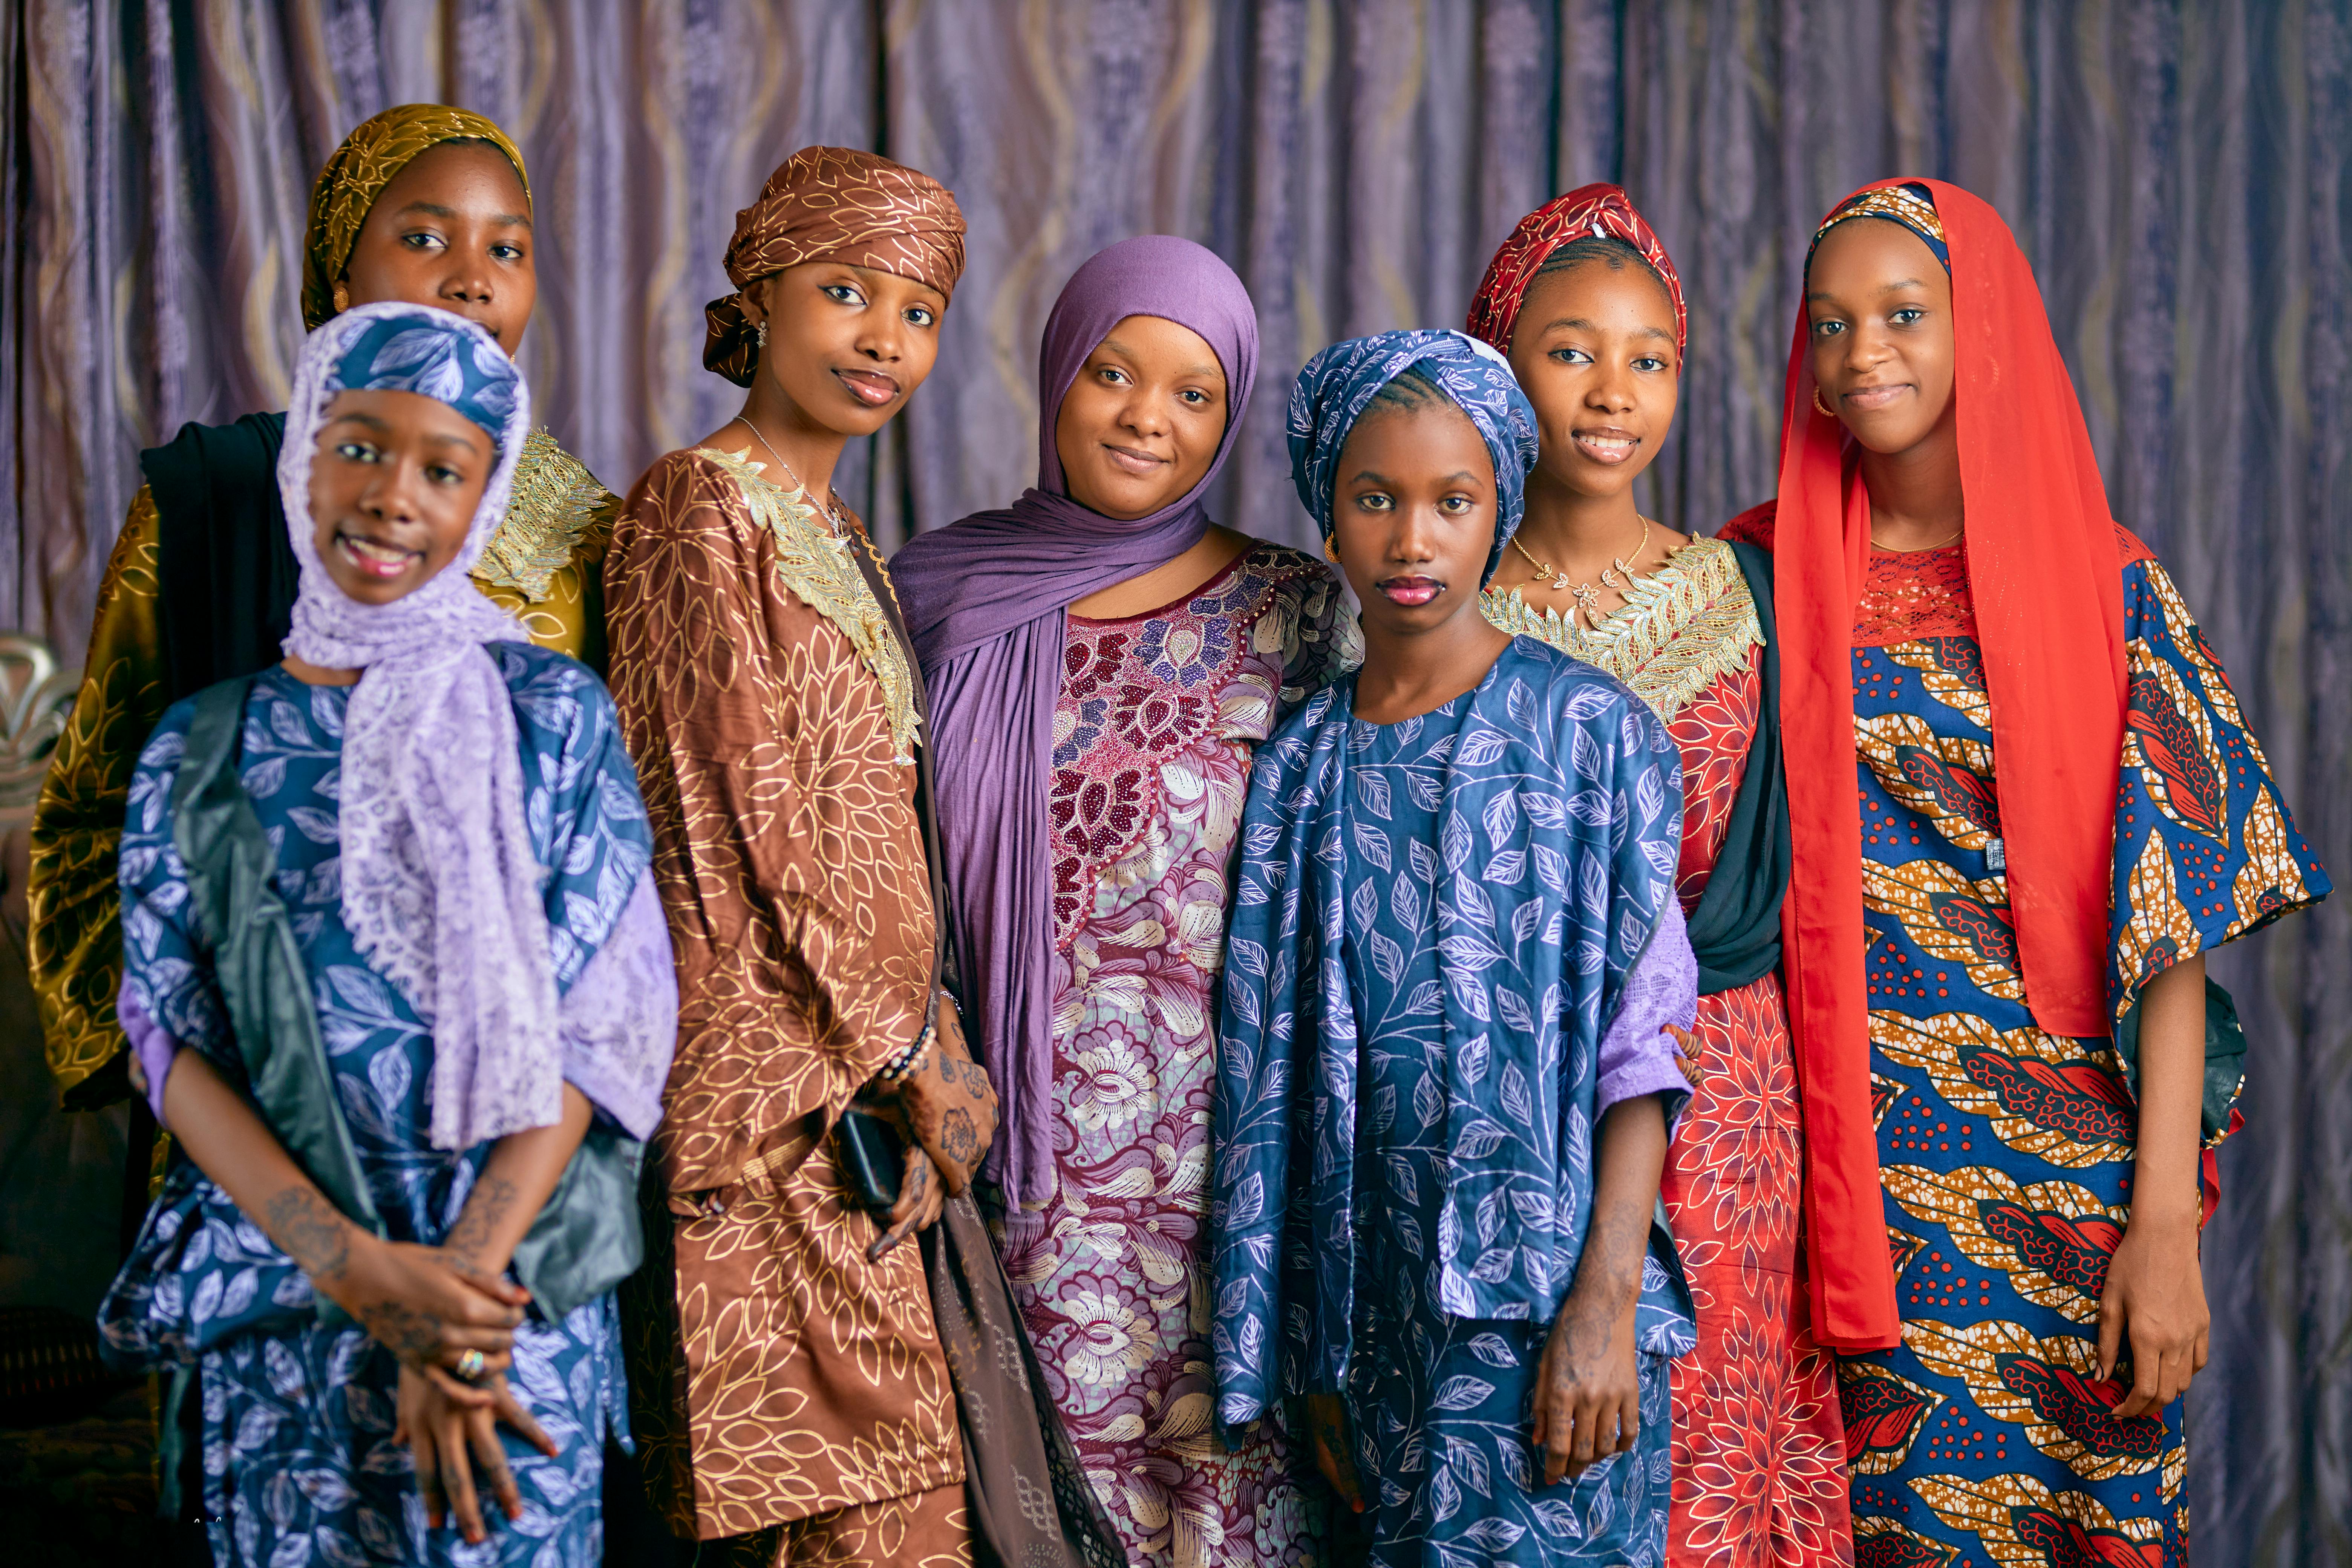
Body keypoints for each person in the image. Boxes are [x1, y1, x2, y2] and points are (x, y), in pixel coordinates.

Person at [1719, 179, 2329, 1564]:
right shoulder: (1744, 580)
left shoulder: (2113, 593)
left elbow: (2169, 932)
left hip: (2060, 1196)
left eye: (1904, 313)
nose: (1862, 349)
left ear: (1980, 329)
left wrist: (2162, 1225)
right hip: (1821, 1181)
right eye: (1831, 323)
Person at [95, 301, 676, 1566]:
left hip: (510, 1302)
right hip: (292, 1299)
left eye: (444, 467)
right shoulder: (199, 749)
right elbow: (169, 1047)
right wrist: (361, 1274)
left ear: (486, 495)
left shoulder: (553, 718)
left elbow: (607, 1024)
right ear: (303, 448)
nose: (392, 496)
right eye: (357, 445)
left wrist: (453, 1309)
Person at [607, 147, 1113, 1568]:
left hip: (876, 1100)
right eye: (846, 292)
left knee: (907, 1518)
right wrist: (906, 1053)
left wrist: (930, 1041)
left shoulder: (847, 541)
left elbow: (895, 843)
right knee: (822, 1523)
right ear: (760, 295)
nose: (884, 338)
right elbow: (729, 824)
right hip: (772, 1110)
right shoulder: (693, 512)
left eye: (918, 309)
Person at [891, 235, 1355, 1566]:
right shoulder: (937, 596)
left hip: (1222, 1185)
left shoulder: (1297, 613)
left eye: (1193, 393)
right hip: (998, 1167)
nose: (1146, 417)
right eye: (1113, 373)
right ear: (1056, 374)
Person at [1212, 328, 1700, 1565]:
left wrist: (1605, 1298)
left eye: (1453, 501)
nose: (1413, 539)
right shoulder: (1304, 764)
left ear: (1501, 514)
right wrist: (1306, 1348)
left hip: (1545, 1317)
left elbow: (1643, 1048)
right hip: (1368, 1319)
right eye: (1375, 500)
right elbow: (1266, 1072)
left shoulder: (1593, 733)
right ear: (1328, 517)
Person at [32, 104, 617, 1129]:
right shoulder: (220, 500)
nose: (472, 277)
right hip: (268, 1098)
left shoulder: (601, 534)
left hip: (518, 1111)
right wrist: (183, 1078)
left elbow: (629, 854)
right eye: (425, 238)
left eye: (507, 249)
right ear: (340, 281)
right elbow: (93, 818)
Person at [1468, 185, 1893, 1564]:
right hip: (1496, 1103)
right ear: (1498, 359)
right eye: (1571, 349)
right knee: (1504, 1473)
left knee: (1703, 1467)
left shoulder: (1751, 596)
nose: (1614, 392)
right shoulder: (1430, 597)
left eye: (1651, 358)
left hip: (1724, 1109)